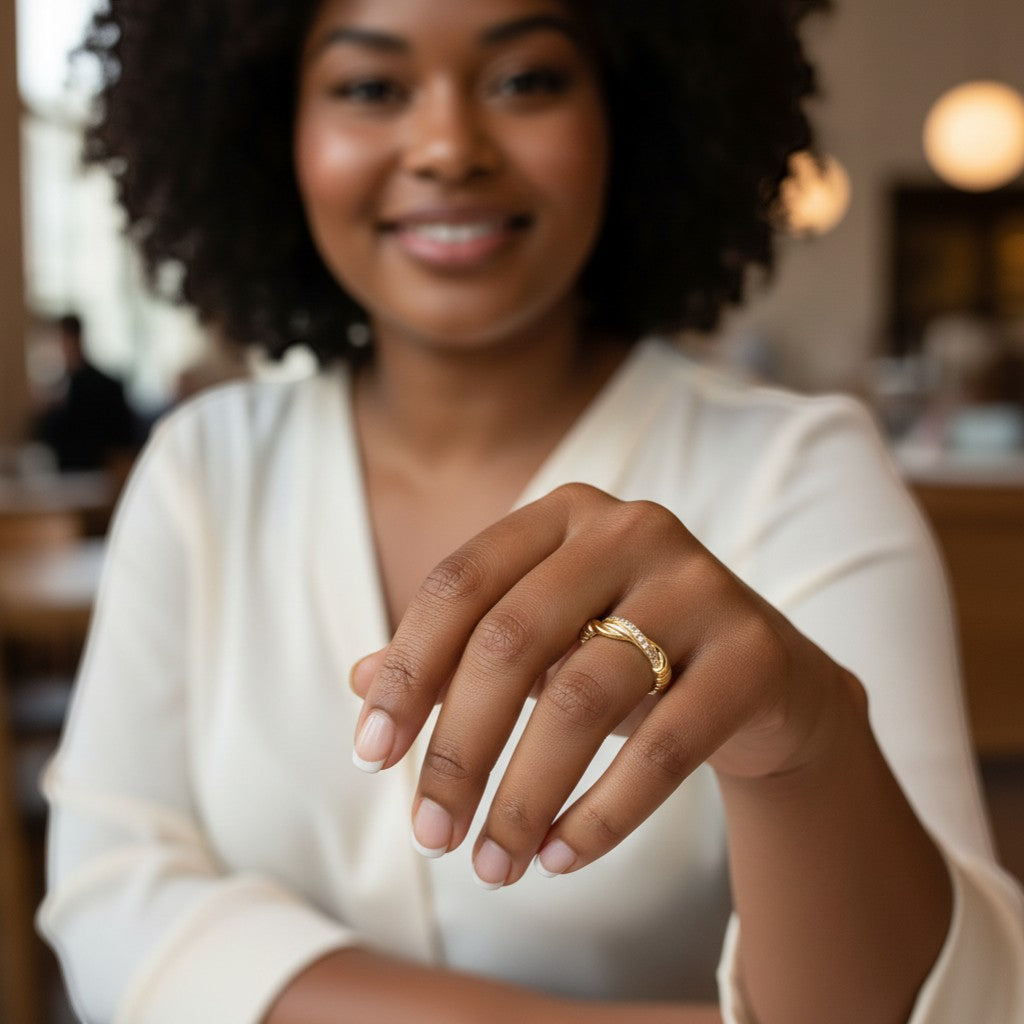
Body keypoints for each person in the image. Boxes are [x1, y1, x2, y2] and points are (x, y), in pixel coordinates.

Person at [39, 1, 1023, 1022]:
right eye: (370, 88)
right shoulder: (203, 465)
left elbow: (966, 1004)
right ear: (268, 126)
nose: (448, 147)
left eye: (526, 81)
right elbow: (111, 897)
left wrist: (807, 742)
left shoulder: (799, 469)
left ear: (629, 116)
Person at [31, 314, 138, 473]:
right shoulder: (57, 389)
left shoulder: (104, 387)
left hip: (96, 477)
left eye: (60, 340)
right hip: (66, 478)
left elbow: (121, 441)